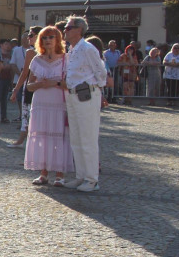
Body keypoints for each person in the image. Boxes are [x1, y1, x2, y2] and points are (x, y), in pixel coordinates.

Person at [61, 16, 109, 192]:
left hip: (86, 95)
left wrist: (94, 88)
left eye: (68, 28)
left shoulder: (88, 48)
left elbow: (101, 72)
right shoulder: (71, 50)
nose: (65, 31)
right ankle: (81, 175)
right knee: (76, 137)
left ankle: (92, 179)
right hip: (72, 95)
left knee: (88, 137)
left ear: (79, 29)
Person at [24, 26, 73, 186]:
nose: (48, 40)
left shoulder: (66, 59)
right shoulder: (37, 60)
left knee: (59, 135)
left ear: (57, 39)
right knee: (42, 137)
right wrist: (39, 84)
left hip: (58, 102)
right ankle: (43, 173)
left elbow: (70, 84)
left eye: (51, 37)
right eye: (44, 38)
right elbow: (29, 86)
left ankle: (60, 174)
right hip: (40, 102)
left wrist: (55, 82)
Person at [8, 27, 41, 148]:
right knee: (26, 113)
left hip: (42, 87)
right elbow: (24, 73)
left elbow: (25, 72)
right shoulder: (30, 52)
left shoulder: (42, 52)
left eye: (31, 35)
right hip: (31, 85)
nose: (28, 38)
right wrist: (16, 89)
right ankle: (23, 139)